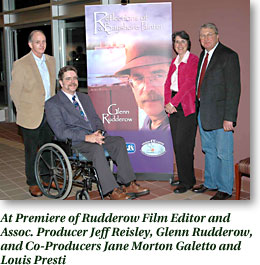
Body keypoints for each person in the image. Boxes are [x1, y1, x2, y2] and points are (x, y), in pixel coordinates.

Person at [45, 65, 150, 200]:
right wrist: (87, 137)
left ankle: (128, 183)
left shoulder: (84, 98)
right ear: (61, 83)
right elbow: (60, 132)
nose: (72, 82)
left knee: (118, 141)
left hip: (94, 136)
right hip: (75, 142)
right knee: (96, 149)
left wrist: (99, 132)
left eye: (75, 78)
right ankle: (112, 190)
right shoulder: (53, 103)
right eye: (68, 79)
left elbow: (95, 119)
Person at [192, 23, 241, 200]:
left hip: (221, 116)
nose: (205, 38)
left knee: (224, 153)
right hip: (203, 113)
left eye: (209, 34)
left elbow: (234, 89)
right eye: (202, 36)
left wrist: (229, 118)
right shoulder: (203, 55)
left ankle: (226, 189)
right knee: (209, 150)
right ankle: (211, 183)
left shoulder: (228, 56)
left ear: (217, 36)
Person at [10, 30, 56, 197]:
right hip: (30, 116)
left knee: (48, 149)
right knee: (31, 151)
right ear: (30, 44)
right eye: (38, 42)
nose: (42, 44)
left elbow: (52, 87)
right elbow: (14, 92)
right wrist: (23, 112)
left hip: (48, 114)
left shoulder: (51, 60)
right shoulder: (21, 64)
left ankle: (46, 178)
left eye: (44, 41)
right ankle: (33, 182)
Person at [164, 31, 199, 193]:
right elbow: (167, 85)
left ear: (188, 43)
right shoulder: (174, 61)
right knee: (178, 145)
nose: (179, 44)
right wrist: (167, 103)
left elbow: (189, 84)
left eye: (182, 41)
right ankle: (186, 177)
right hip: (173, 104)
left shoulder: (193, 60)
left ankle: (187, 182)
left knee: (183, 144)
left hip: (186, 106)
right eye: (176, 42)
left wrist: (173, 103)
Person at [115, 42, 172, 131]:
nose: (147, 88)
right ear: (132, 86)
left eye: (158, 76)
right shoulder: (148, 122)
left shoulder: (175, 128)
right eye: (138, 78)